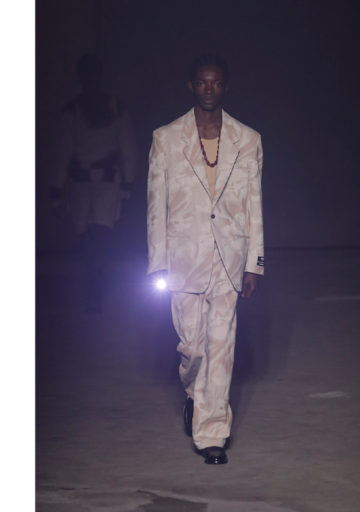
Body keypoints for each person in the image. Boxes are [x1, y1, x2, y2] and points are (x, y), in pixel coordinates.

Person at [146, 53, 264, 464]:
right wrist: (157, 264)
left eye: (215, 83)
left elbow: (254, 204)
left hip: (229, 257)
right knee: (193, 348)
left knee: (221, 347)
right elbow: (156, 206)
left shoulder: (247, 139)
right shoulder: (166, 139)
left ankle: (212, 434)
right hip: (183, 258)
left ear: (225, 87)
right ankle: (195, 397)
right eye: (202, 82)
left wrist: (254, 263)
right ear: (191, 86)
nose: (209, 89)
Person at [50, 53, 136, 313]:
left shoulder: (114, 110)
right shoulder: (74, 112)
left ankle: (97, 290)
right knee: (87, 238)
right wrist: (57, 186)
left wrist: (128, 183)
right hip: (82, 182)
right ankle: (93, 288)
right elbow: (63, 151)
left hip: (105, 182)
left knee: (99, 237)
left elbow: (127, 148)